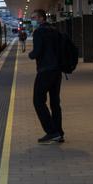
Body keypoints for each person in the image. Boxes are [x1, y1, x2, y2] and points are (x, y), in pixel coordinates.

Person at [27, 9, 64, 144]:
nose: (33, 20)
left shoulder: (39, 32)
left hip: (45, 71)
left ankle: (52, 132)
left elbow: (37, 52)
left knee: (38, 101)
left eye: (34, 17)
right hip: (57, 72)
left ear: (42, 18)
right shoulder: (55, 30)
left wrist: (30, 55)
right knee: (55, 103)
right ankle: (59, 133)